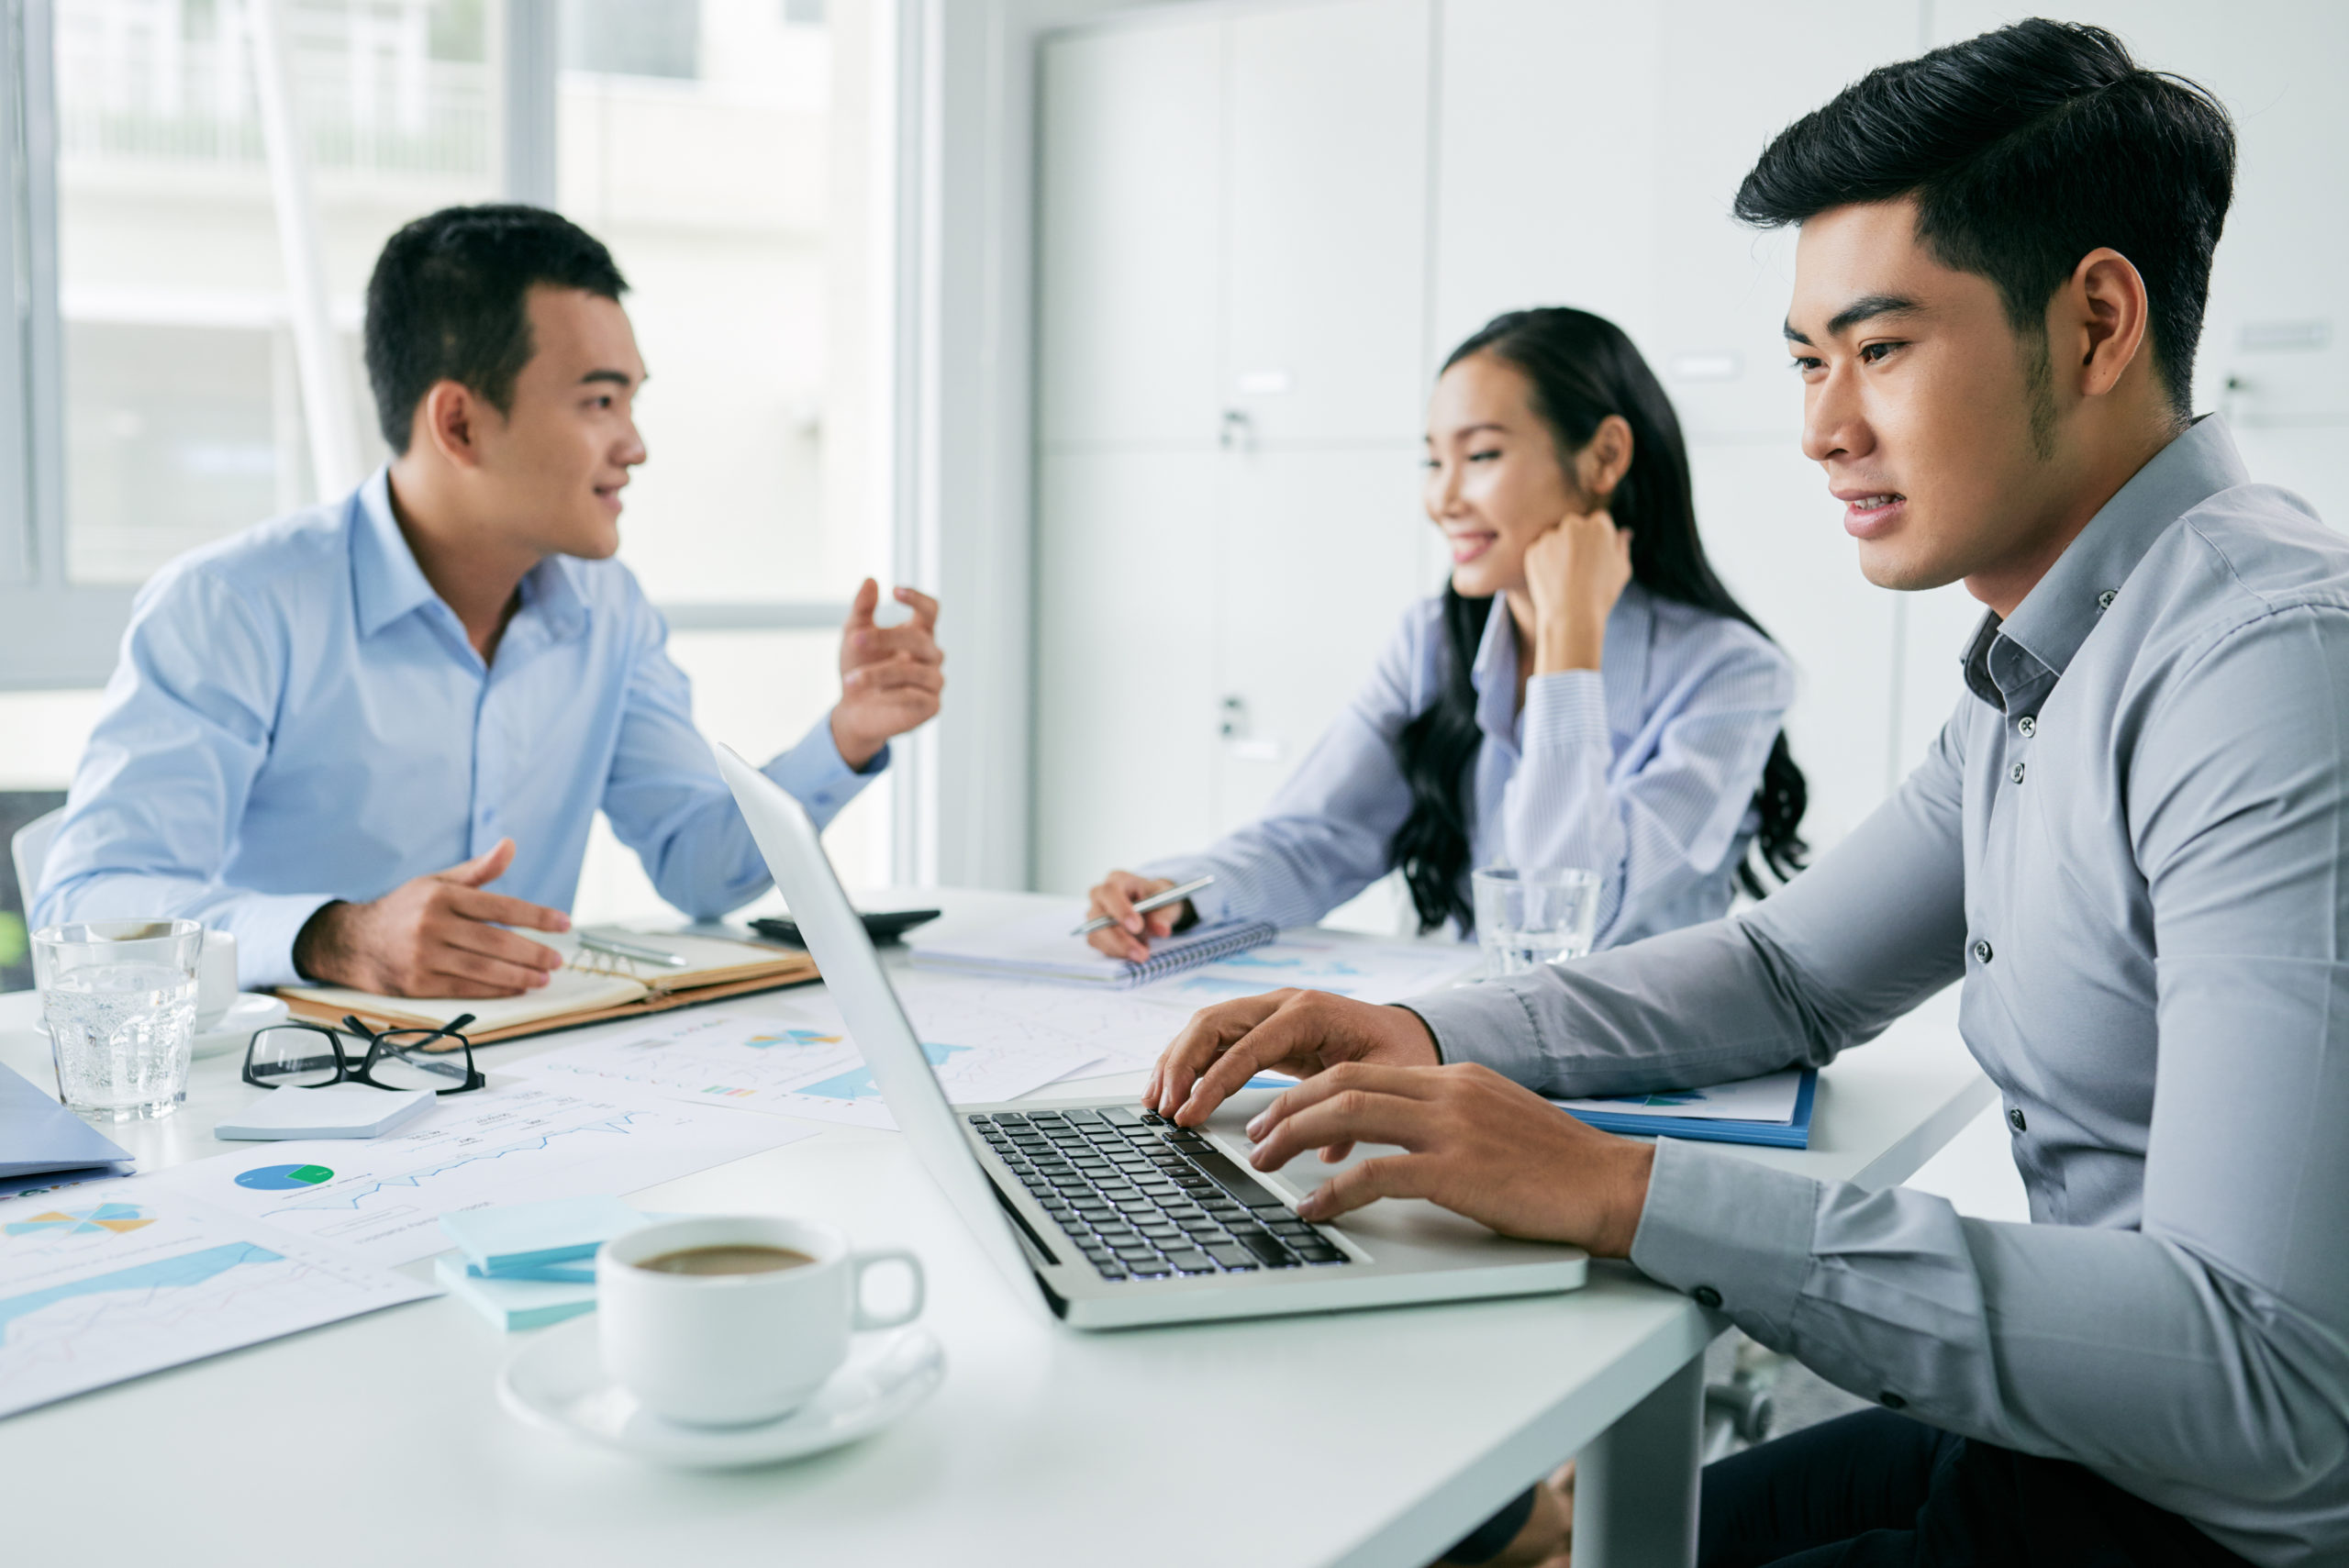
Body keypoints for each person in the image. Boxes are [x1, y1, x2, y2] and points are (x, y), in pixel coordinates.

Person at [1146, 21, 2348, 1568]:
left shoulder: (2270, 663)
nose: (1820, 426)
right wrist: (1432, 1032)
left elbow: (2276, 1375)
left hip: (2218, 1514)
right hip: (2083, 1439)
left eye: (1882, 347)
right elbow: (1789, 969)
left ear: (2098, 320)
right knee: (1550, 1539)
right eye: (1806, 359)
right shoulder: (2044, 659)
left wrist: (1618, 1186)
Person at [33, 205, 944, 998]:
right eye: (598, 401)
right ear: (460, 422)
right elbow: (90, 903)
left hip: (521, 1088)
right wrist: (337, 936)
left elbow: (701, 865)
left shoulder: (608, 610)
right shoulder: (233, 606)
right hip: (286, 1094)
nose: (634, 446)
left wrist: (847, 733)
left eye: (631, 402)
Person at [1083, 308, 1806, 963]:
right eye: (1433, 461)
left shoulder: (1732, 674)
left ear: (1604, 458)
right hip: (1465, 1047)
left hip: (1634, 1077)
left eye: (1482, 455)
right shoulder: (1430, 641)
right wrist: (1179, 893)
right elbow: (1318, 839)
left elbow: (1562, 926)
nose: (1442, 498)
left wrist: (1569, 645)